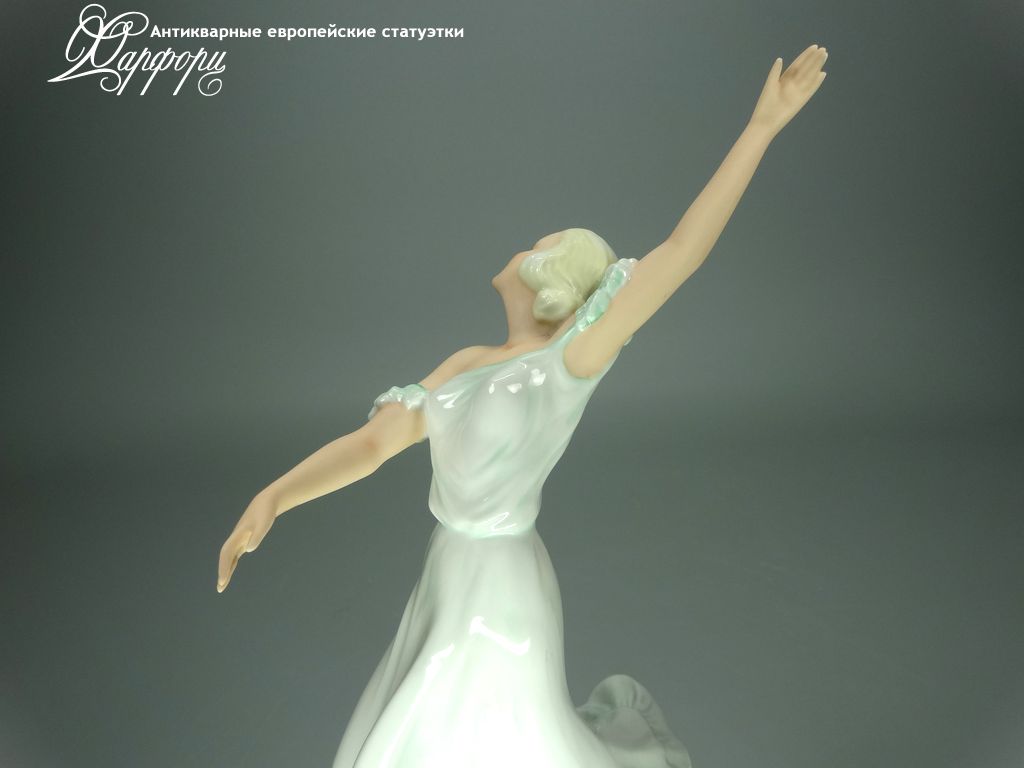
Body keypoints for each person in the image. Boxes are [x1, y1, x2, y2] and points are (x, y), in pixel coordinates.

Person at [217, 45, 828, 768]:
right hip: (447, 573)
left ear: (551, 276)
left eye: (539, 242)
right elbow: (374, 443)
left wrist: (760, 128)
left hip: (504, 592)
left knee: (485, 731)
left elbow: (681, 252)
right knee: (431, 732)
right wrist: (276, 495)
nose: (522, 244)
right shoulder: (464, 365)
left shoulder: (569, 362)